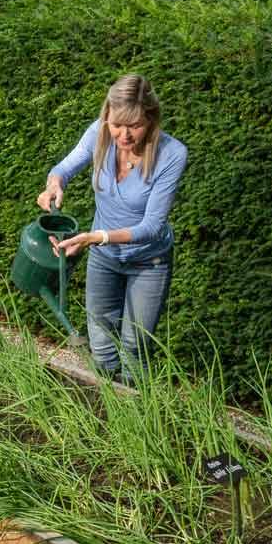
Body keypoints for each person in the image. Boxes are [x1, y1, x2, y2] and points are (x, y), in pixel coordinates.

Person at [36, 74, 187, 381]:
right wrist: (54, 186)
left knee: (135, 348)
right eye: (117, 124)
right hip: (105, 259)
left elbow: (152, 227)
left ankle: (140, 416)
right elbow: (63, 169)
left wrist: (96, 237)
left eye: (135, 125)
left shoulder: (171, 154)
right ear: (107, 117)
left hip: (148, 262)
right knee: (102, 344)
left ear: (152, 119)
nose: (124, 135)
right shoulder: (99, 133)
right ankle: (106, 416)